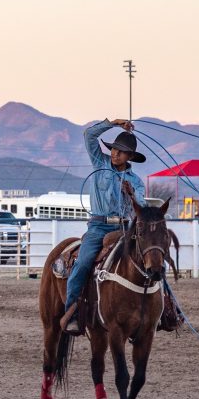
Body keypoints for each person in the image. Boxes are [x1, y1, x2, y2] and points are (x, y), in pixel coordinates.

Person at [61, 118, 147, 336]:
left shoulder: (135, 181)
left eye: (121, 152)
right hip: (98, 227)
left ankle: (165, 310)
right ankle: (71, 312)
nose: (116, 154)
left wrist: (132, 194)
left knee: (151, 262)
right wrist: (114, 123)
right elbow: (89, 135)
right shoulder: (99, 163)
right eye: (115, 149)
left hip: (125, 228)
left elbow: (143, 207)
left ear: (130, 157)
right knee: (82, 264)